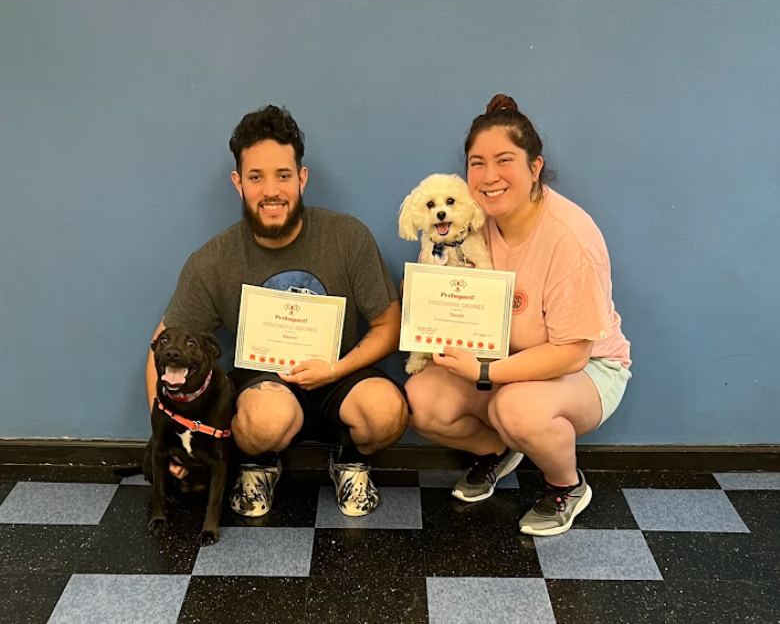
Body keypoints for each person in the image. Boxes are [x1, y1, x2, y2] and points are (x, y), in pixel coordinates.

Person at [146, 105, 408, 518]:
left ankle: (349, 458)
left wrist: (336, 370)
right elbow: (161, 347)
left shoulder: (348, 237)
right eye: (256, 177)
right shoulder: (212, 260)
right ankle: (261, 462)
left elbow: (388, 326)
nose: (271, 190)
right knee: (266, 419)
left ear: (301, 179)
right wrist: (167, 442)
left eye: (283, 176)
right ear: (238, 183)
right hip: (263, 385)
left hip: (339, 375)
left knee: (387, 412)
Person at [405, 94, 632, 536]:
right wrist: (422, 291)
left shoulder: (570, 238)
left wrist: (486, 371)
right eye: (477, 163)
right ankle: (496, 452)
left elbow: (571, 355)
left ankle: (566, 486)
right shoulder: (472, 219)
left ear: (535, 167)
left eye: (504, 160)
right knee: (421, 400)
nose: (489, 178)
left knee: (515, 406)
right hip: (500, 358)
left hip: (585, 368)